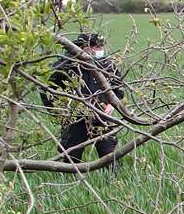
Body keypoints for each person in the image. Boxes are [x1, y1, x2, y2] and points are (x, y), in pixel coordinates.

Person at [47, 31, 126, 166]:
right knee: (71, 157)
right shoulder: (67, 65)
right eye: (97, 47)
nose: (100, 50)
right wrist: (59, 110)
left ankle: (111, 181)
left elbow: (118, 89)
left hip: (102, 117)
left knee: (109, 157)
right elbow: (49, 88)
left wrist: (111, 105)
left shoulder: (107, 65)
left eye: (101, 47)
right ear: (85, 47)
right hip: (76, 118)